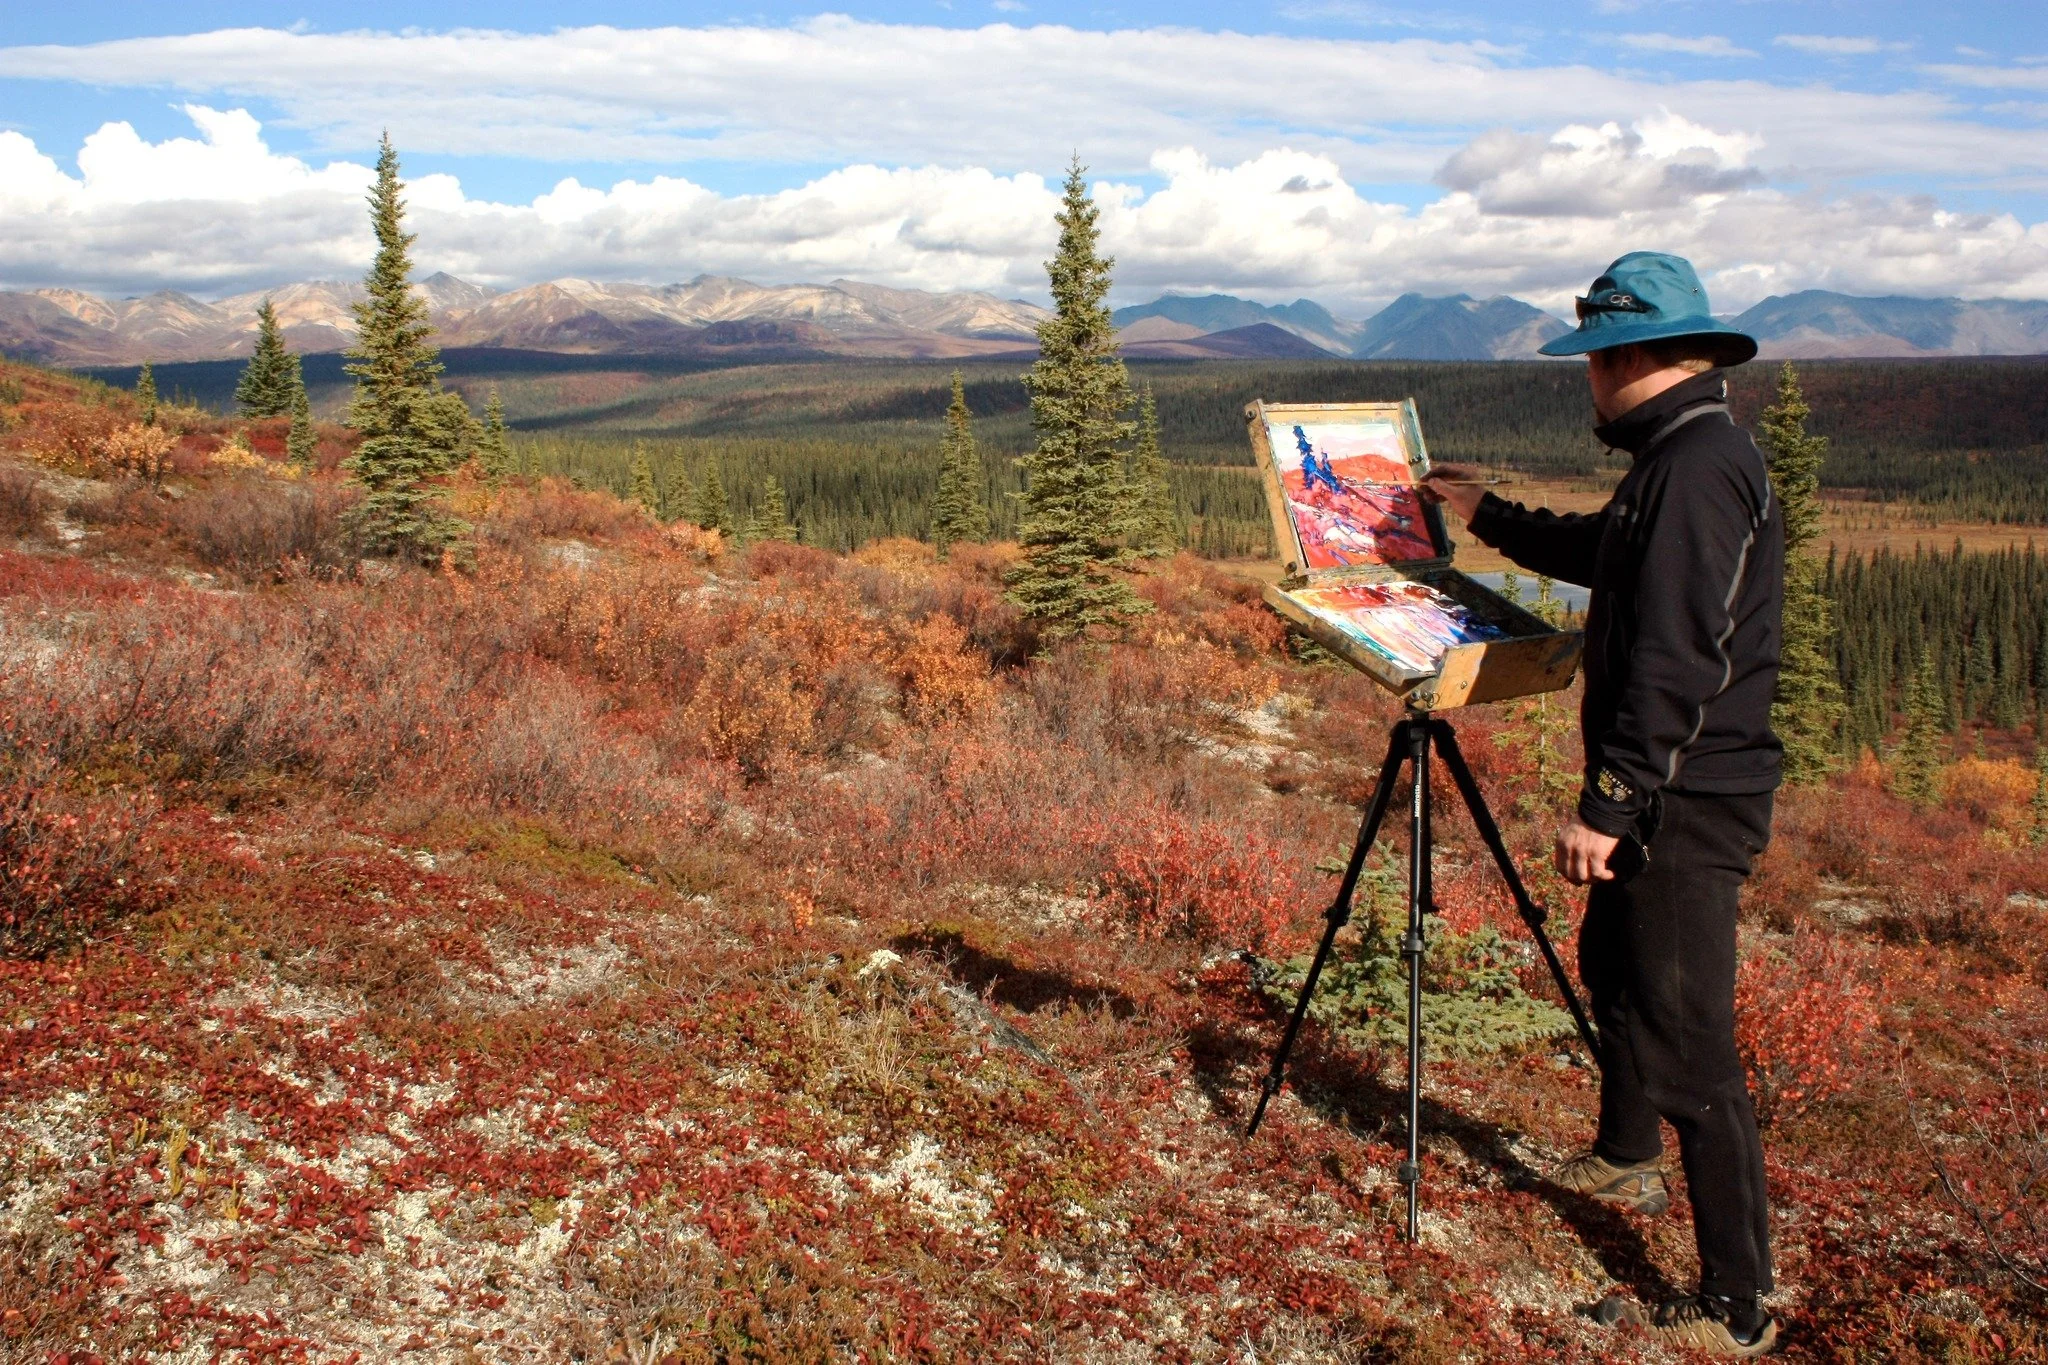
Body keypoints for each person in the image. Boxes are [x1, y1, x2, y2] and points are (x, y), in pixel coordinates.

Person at [1421, 251, 1785, 1359]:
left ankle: (1739, 1302)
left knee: (1687, 1038)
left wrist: (1611, 803)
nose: (1584, 384)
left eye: (1590, 362)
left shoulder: (1696, 469)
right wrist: (1489, 515)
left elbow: (1675, 655)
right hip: (1667, 794)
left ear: (1628, 359)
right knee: (1617, 980)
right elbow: (1604, 556)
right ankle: (1624, 1159)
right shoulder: (1677, 459)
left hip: (1680, 799)